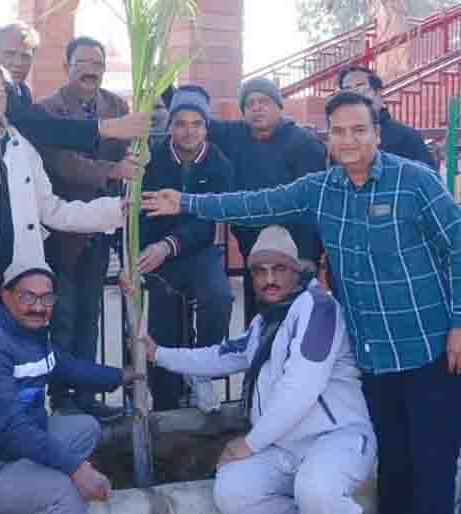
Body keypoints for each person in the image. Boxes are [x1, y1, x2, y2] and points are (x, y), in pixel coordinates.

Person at [142, 91, 461, 514]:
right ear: (327, 137)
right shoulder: (321, 189)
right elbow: (257, 203)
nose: (349, 140)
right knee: (396, 469)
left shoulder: (414, 181)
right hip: (375, 359)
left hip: (429, 349)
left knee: (432, 465)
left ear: (377, 134)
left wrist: (458, 322)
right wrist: (186, 202)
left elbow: (456, 248)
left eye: (359, 130)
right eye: (339, 131)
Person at [138, 225, 375, 514]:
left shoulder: (318, 308)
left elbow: (300, 388)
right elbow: (220, 356)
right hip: (284, 447)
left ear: (295, 271)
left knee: (316, 491)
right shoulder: (264, 324)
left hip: (335, 440)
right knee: (233, 491)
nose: (269, 279)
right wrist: (158, 353)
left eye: (279, 269)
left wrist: (250, 444)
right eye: (260, 271)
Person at [0, 63, 125, 360]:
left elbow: (53, 210)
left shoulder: (21, 147)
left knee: (22, 359)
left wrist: (115, 209)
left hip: (20, 274)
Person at [0, 260, 141, 514]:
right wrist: (76, 469)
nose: (38, 307)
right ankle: (41, 494)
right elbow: (11, 427)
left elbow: (65, 367)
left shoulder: (25, 330)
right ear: (5, 296)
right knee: (66, 491)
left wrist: (122, 376)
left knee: (86, 428)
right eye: (28, 297)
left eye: (47, 298)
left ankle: (31, 487)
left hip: (10, 449)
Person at [38, 36, 135, 421]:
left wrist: (130, 159)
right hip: (62, 235)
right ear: (66, 66)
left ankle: (87, 396)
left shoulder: (116, 106)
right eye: (82, 62)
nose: (90, 69)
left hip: (100, 233)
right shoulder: (47, 111)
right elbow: (61, 163)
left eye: (97, 62)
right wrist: (111, 171)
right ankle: (62, 401)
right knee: (61, 319)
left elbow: (127, 151)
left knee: (89, 318)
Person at [174, 80, 325, 323]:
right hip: (252, 249)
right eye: (250, 103)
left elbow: (313, 205)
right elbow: (195, 117)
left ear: (278, 106)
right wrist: (167, 89)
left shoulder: (303, 143)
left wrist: (308, 255)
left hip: (293, 253)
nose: (257, 108)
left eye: (264, 102)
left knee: (293, 322)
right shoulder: (236, 136)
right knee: (257, 322)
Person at [139, 86, 234, 412]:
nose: (189, 130)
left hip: (197, 250)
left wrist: (171, 244)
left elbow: (208, 220)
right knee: (162, 327)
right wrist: (142, 251)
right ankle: (165, 404)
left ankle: (201, 372)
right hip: (156, 254)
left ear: (206, 127)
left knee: (219, 296)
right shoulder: (151, 158)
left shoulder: (219, 163)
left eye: (197, 123)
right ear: (170, 127)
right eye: (181, 123)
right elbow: (140, 210)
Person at [0, 23, 148, 153]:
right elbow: (35, 128)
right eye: (9, 54)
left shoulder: (22, 91)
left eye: (25, 56)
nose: (18, 63)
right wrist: (104, 127)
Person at [338, 65, 435, 169]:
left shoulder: (406, 137)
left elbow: (428, 181)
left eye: (360, 87)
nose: (355, 95)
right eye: (348, 90)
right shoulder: (340, 138)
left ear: (378, 92)